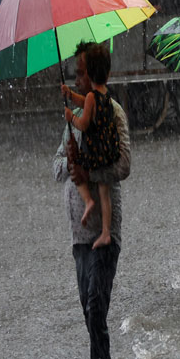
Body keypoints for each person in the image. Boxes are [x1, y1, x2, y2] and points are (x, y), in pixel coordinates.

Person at [52, 43, 131, 359]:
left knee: (97, 307)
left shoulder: (112, 112)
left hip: (104, 231)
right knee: (89, 310)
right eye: (77, 73)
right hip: (78, 235)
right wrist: (71, 162)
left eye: (82, 72)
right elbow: (56, 168)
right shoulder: (73, 120)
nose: (79, 78)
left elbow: (124, 165)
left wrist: (90, 172)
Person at [59, 42, 120, 250]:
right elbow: (85, 102)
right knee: (104, 194)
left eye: (81, 73)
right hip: (105, 154)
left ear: (90, 74)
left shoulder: (94, 99)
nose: (77, 80)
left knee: (78, 167)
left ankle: (88, 202)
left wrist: (71, 118)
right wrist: (69, 94)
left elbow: (84, 121)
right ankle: (105, 231)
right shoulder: (105, 96)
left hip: (94, 156)